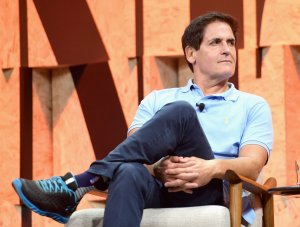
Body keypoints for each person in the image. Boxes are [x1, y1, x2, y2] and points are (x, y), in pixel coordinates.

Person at [12, 12, 273, 227]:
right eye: (216, 42)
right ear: (191, 54)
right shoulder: (157, 99)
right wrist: (158, 167)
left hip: (210, 191)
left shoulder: (252, 105)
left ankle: (82, 181)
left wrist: (209, 169)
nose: (227, 49)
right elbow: (133, 150)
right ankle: (87, 181)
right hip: (158, 188)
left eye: (230, 42)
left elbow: (252, 165)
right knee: (128, 169)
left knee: (181, 112)